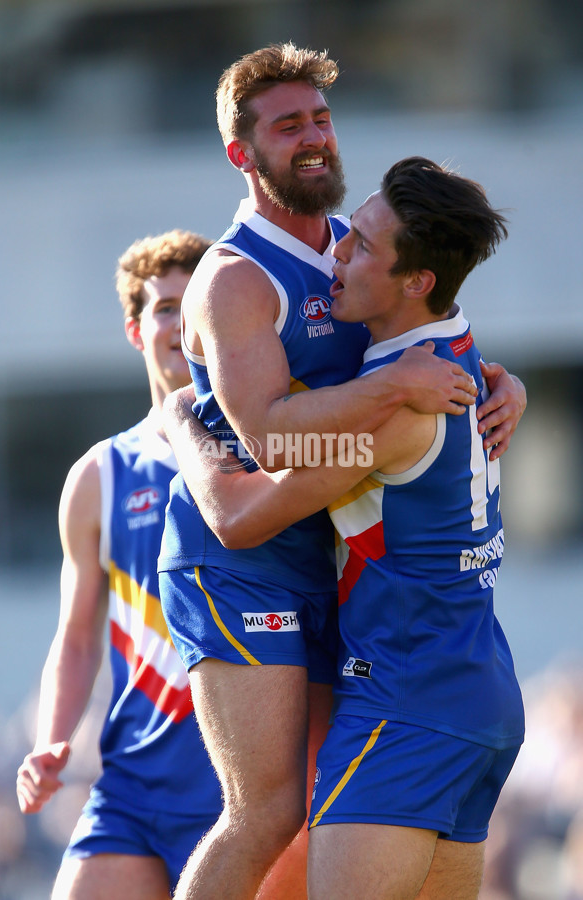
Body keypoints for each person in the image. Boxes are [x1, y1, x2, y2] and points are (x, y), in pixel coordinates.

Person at [157, 43, 526, 900]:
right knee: (267, 811)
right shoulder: (239, 279)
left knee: (332, 805)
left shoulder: (354, 249)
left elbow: (425, 330)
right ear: (241, 154)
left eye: (321, 118)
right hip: (241, 550)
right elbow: (271, 444)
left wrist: (499, 384)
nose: (315, 137)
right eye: (289, 126)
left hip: (325, 543)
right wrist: (181, 425)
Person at [15, 230, 224, 900]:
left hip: (244, 795)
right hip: (131, 791)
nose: (180, 322)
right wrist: (53, 741)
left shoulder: (268, 449)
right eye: (164, 307)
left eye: (195, 304)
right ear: (137, 331)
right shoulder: (100, 475)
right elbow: (76, 636)